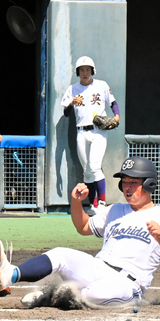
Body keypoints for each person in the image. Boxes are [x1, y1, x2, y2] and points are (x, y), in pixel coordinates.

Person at [0, 156, 160, 309]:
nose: (127, 187)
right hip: (97, 268)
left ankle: (51, 296)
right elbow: (83, 227)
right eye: (124, 182)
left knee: (95, 294)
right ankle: (12, 274)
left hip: (127, 282)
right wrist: (76, 202)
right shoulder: (114, 210)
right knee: (61, 254)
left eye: (133, 182)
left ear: (148, 184)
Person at [61, 56, 120, 215]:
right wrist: (72, 103)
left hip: (98, 131)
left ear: (92, 71)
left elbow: (113, 103)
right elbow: (66, 113)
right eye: (82, 70)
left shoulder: (101, 85)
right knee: (87, 170)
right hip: (81, 132)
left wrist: (116, 116)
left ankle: (102, 202)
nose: (85, 73)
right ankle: (92, 204)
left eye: (87, 69)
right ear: (78, 72)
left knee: (94, 166)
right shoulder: (73, 89)